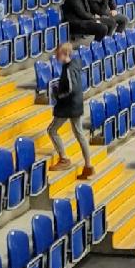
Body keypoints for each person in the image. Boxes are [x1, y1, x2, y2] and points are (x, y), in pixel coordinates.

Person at [46, 41, 95, 179]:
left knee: (52, 130)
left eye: (58, 53)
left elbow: (70, 89)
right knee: (79, 134)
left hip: (68, 105)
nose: (56, 55)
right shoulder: (75, 63)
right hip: (77, 104)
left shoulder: (67, 69)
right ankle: (88, 166)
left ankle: (64, 159)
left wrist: (58, 95)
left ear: (64, 53)